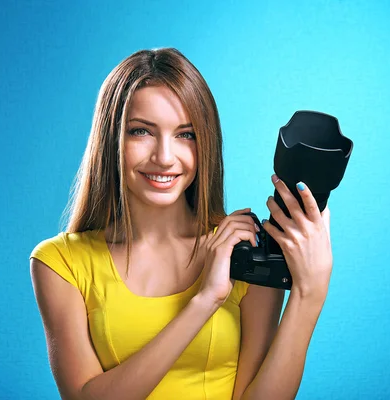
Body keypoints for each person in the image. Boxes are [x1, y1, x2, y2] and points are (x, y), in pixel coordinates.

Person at [30, 48, 333, 400]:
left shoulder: (243, 251)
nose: (164, 157)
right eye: (141, 131)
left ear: (206, 143)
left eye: (185, 135)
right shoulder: (60, 263)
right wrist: (205, 300)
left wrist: (310, 294)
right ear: (110, 139)